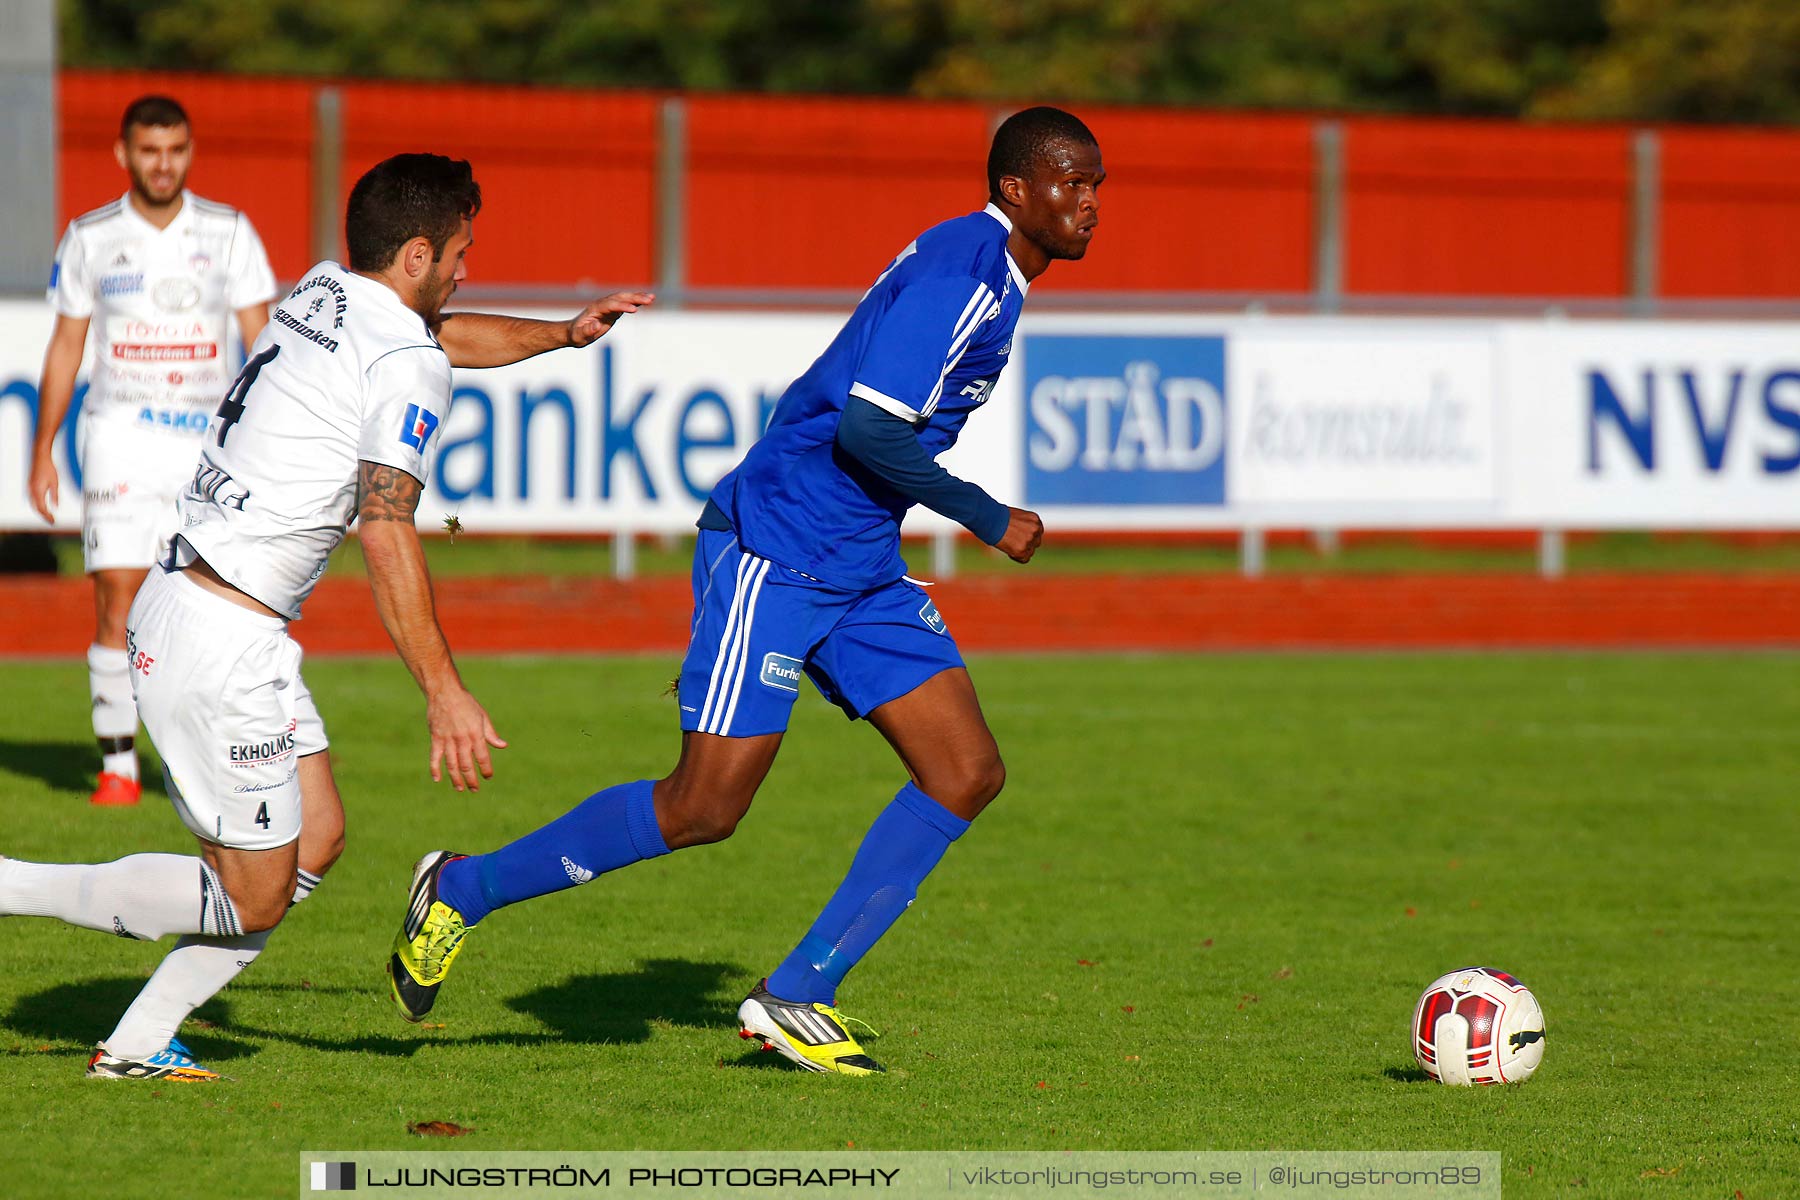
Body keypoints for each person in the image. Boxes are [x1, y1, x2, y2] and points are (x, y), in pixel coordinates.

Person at [386, 106, 1104, 1075]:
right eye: (1072, 182)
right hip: (779, 546)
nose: (1090, 203)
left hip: (861, 565)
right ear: (1017, 189)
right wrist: (986, 514)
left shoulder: (990, 272)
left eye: (1098, 184)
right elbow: (869, 432)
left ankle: (800, 992)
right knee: (704, 809)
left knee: (965, 770)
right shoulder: (965, 275)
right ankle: (460, 891)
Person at [0, 152, 653, 1081]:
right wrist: (445, 692)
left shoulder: (326, 289)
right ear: (421, 253)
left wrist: (560, 335)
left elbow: (438, 337)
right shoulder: (406, 359)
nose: (470, 266)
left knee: (319, 838)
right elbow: (386, 528)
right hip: (218, 640)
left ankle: (136, 1046)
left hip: (209, 610)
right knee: (253, 897)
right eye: (463, 250)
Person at [27, 95, 277, 808]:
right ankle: (117, 766)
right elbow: (67, 345)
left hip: (205, 446)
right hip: (119, 438)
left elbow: (264, 346)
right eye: (149, 151)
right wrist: (42, 448)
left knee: (209, 602)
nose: (162, 164)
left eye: (175, 150)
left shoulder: (229, 233)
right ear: (123, 154)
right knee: (116, 593)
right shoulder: (90, 236)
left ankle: (191, 756)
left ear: (190, 151)